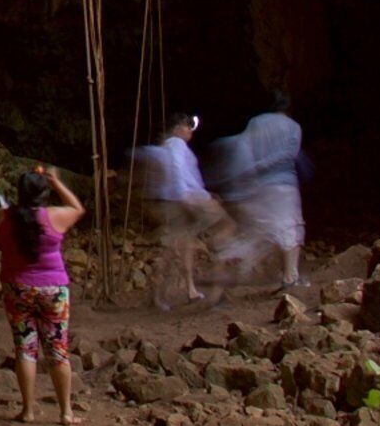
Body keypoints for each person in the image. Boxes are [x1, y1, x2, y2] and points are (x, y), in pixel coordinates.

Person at [0, 165, 88, 424]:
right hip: (53, 290)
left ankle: (28, 410)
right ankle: (66, 412)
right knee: (57, 349)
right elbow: (78, 209)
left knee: (25, 349)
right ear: (44, 194)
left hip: (17, 289)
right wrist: (57, 182)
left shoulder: (6, 217)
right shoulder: (54, 216)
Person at [207, 101, 311, 295]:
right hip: (283, 184)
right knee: (290, 229)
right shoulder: (293, 126)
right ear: (288, 110)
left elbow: (244, 149)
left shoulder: (256, 122)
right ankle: (290, 278)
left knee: (263, 230)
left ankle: (227, 257)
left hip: (260, 186)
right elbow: (289, 155)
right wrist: (264, 165)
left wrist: (247, 177)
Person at [130, 114, 218, 310]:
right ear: (178, 128)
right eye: (187, 127)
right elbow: (179, 171)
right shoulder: (176, 145)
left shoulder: (171, 146)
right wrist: (188, 195)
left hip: (177, 199)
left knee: (183, 246)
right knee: (177, 248)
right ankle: (162, 294)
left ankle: (189, 290)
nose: (190, 131)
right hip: (177, 201)